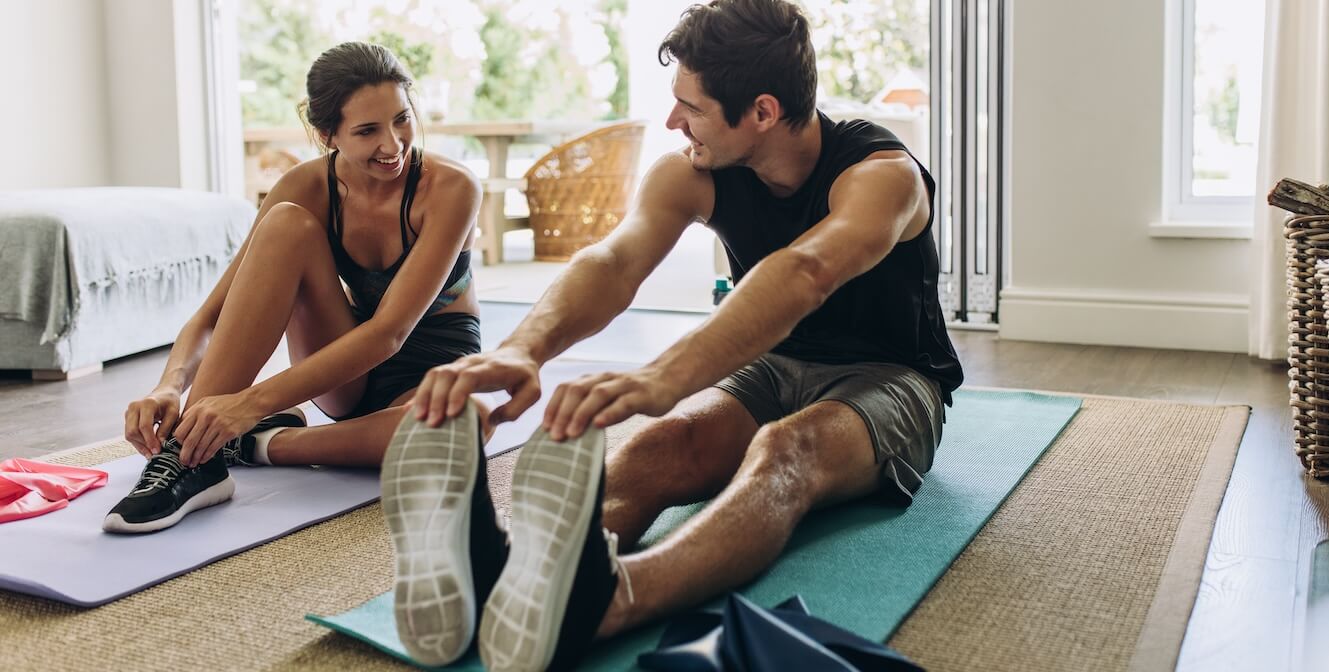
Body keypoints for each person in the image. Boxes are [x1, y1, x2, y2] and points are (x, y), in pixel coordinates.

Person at [379, 1, 964, 669]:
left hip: (892, 379)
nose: (671, 121)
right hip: (775, 366)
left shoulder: (883, 176)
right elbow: (614, 261)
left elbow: (805, 273)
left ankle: (608, 602)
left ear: (763, 112)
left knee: (784, 451)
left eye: (690, 105)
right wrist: (523, 348)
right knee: (666, 442)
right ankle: (510, 572)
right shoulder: (693, 170)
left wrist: (663, 376)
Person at [103, 42, 487, 534]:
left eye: (402, 119)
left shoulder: (452, 188)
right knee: (285, 224)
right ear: (327, 134)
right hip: (344, 365)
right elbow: (213, 313)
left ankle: (251, 444)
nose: (393, 145)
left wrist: (249, 407)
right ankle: (190, 458)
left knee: (461, 427)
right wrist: (169, 385)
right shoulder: (305, 187)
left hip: (432, 369)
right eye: (368, 131)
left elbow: (389, 333)